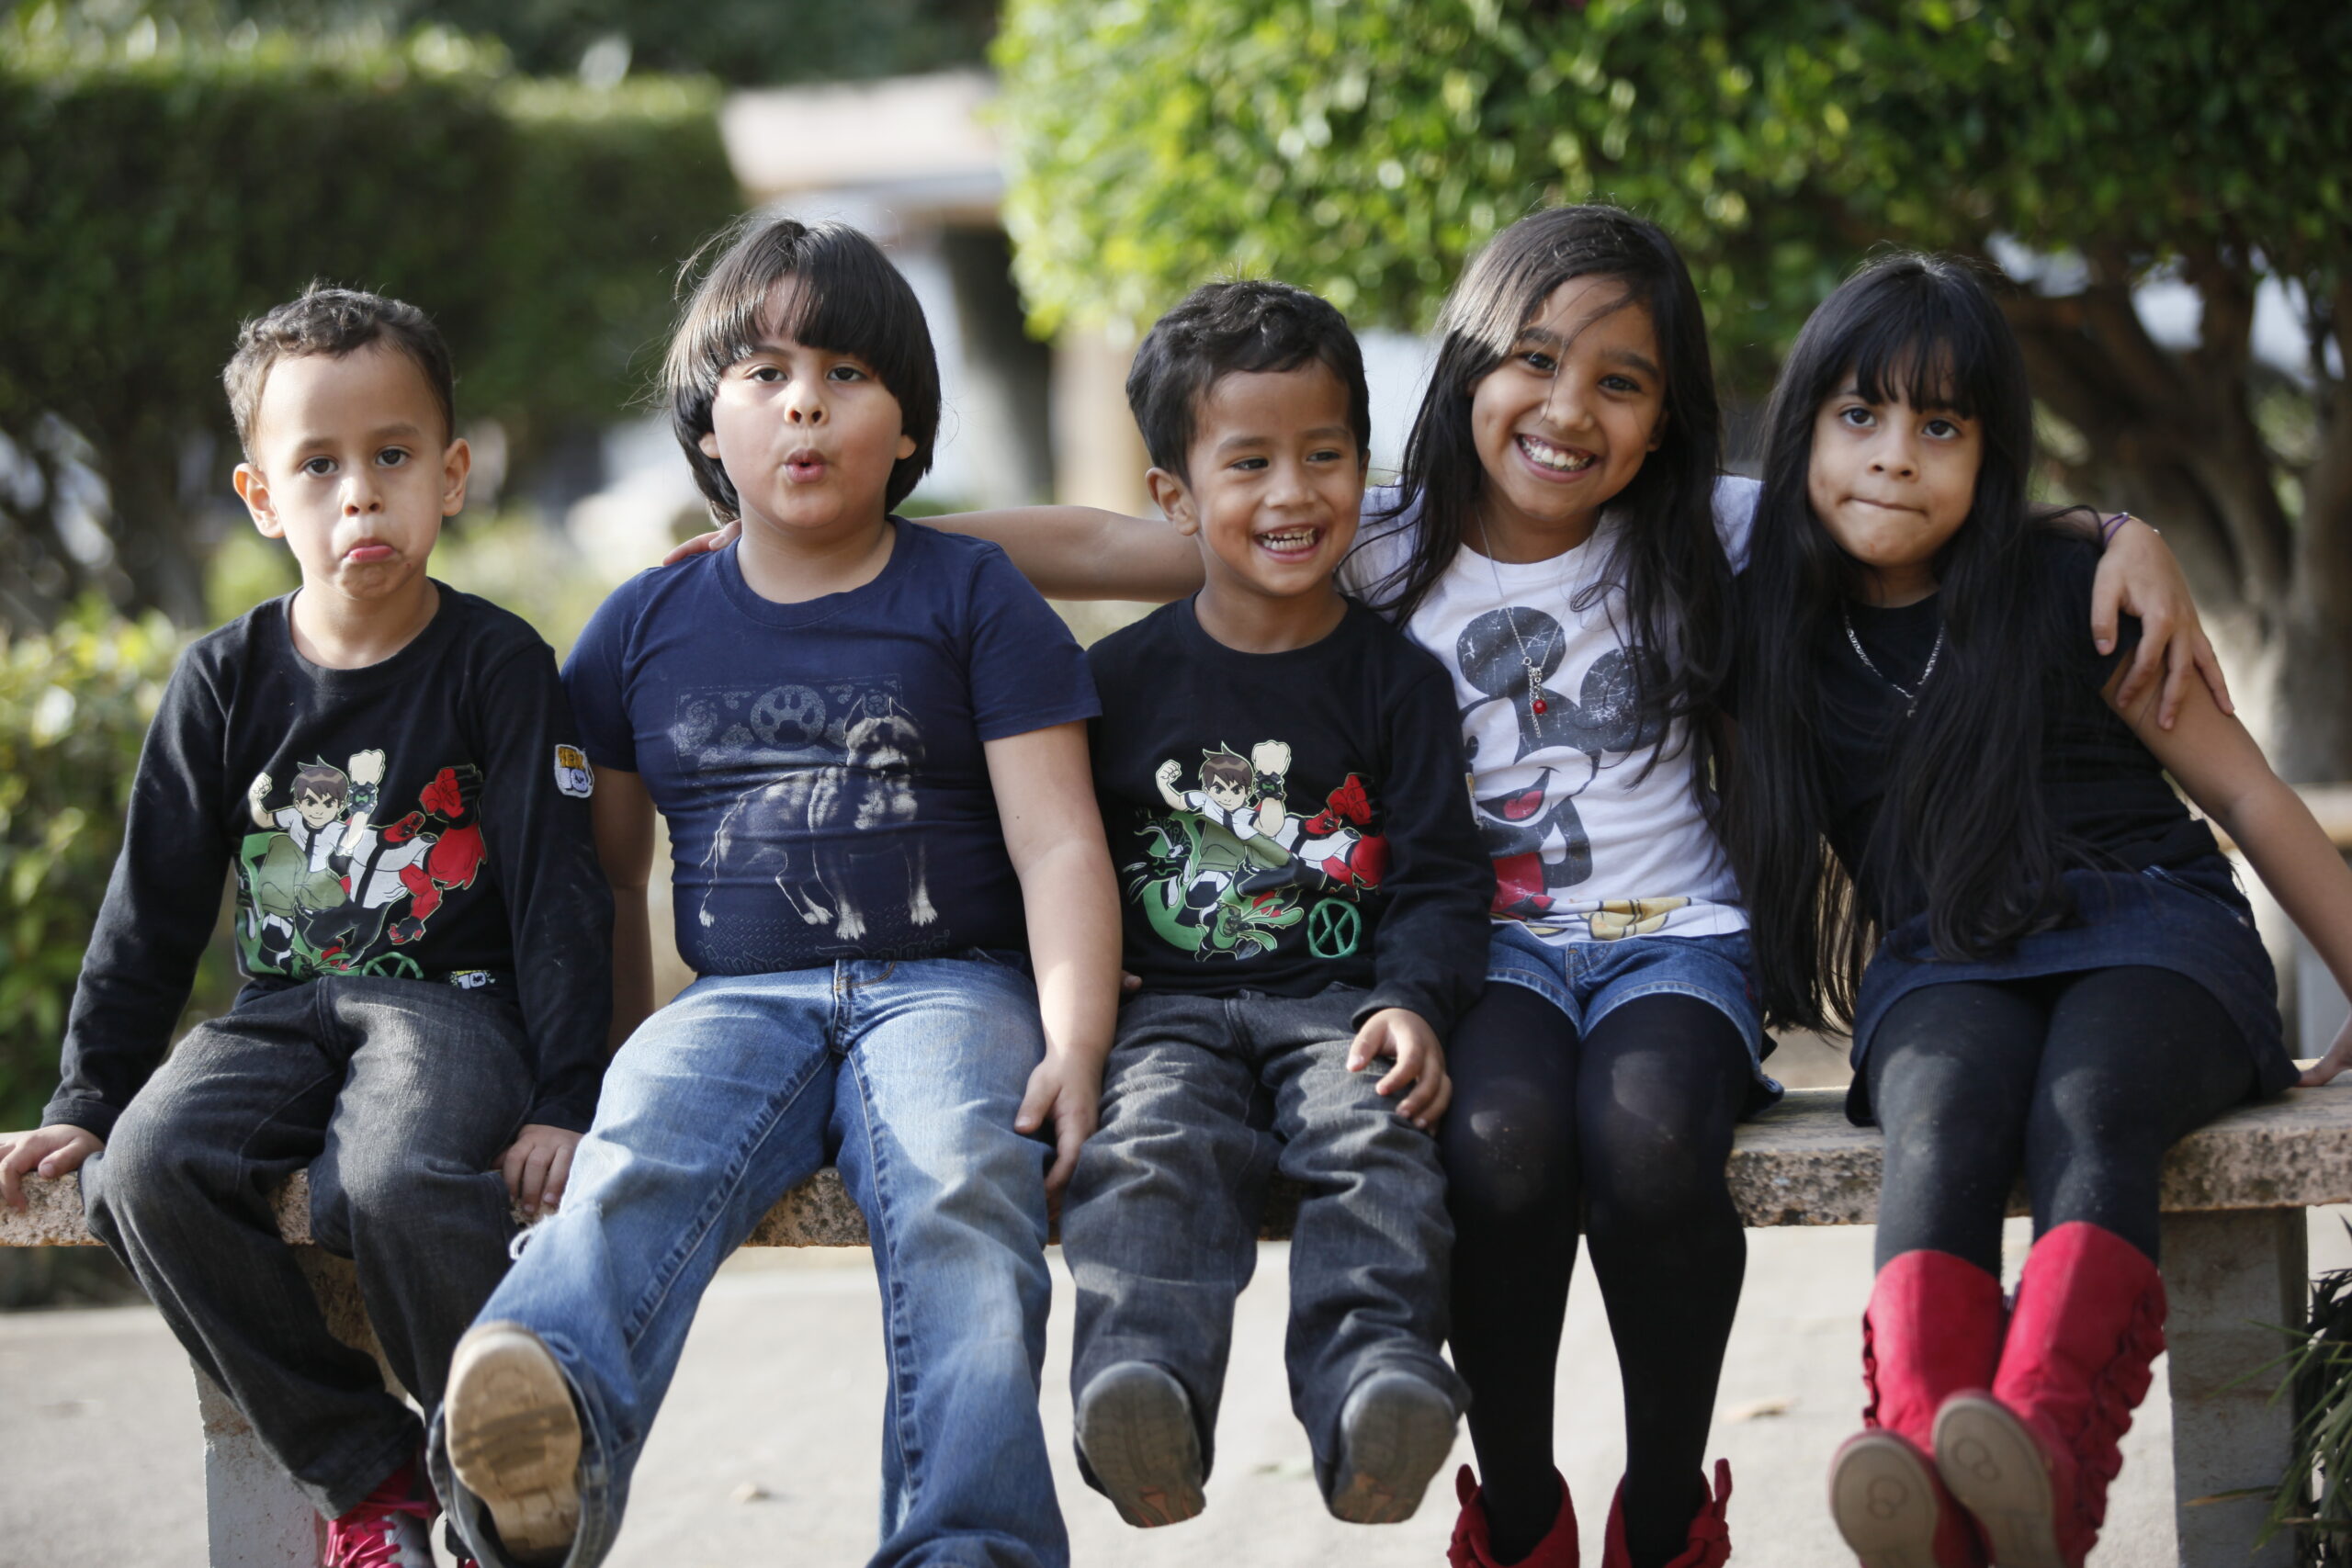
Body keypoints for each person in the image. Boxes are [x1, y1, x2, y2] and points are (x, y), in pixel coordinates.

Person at [666, 207, 2223, 1568]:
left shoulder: (1713, 533)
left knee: (1654, 1139)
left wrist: (2109, 531)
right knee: (1493, 1138)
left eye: (1622, 383)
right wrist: (823, 534)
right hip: (1489, 956)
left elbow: (1903, 503)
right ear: (1470, 365)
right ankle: (1523, 1506)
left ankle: (1671, 1509)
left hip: (1673, 948)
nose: (1569, 409)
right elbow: (1096, 537)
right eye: (1534, 363)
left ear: (1670, 414)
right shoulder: (1375, 531)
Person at [429, 215, 1121, 1568]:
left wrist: (1079, 1039)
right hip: (736, 998)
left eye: (848, 372)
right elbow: (612, 872)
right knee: (640, 1150)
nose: (805, 398)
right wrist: (599, 1073)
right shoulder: (641, 625)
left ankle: (965, 1544)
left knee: (962, 1191)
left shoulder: (972, 594)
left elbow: (1059, 844)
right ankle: (542, 1429)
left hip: (950, 990)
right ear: (706, 433)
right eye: (763, 372)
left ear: (910, 432)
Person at [1721, 251, 2352, 1568]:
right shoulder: (1771, 628)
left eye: (1939, 426)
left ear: (1990, 453)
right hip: (1946, 959)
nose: (1896, 456)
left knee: (2090, 1103)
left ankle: (2048, 1459)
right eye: (1861, 416)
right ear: (1802, 434)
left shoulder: (2077, 593)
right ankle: (1932, 1475)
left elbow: (2247, 796)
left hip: (2154, 932)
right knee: (1943, 1118)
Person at [0, 285, 614, 1568]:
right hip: (281, 1016)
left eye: (392, 457)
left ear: (451, 475)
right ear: (261, 497)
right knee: (149, 1168)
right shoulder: (224, 680)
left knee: (391, 1178)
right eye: (319, 465)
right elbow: (151, 903)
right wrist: (91, 1094)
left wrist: (567, 1094)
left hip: (458, 1009)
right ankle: (368, 1471)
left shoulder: (500, 666)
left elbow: (562, 892)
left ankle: (510, 1479)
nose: (360, 495)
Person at [1058, 280, 1491, 1531]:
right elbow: (1057, 855)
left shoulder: (1398, 683)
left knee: (1376, 1145)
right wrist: (1078, 991)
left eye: (1325, 455)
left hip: (1341, 1005)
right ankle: (1142, 1396)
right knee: (1144, 1154)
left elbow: (1444, 878)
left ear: (1366, 463)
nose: (1294, 494)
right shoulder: (1116, 682)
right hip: (1167, 1014)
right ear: (1175, 498)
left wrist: (1414, 1002)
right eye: (1249, 462)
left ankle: (1375, 1392)